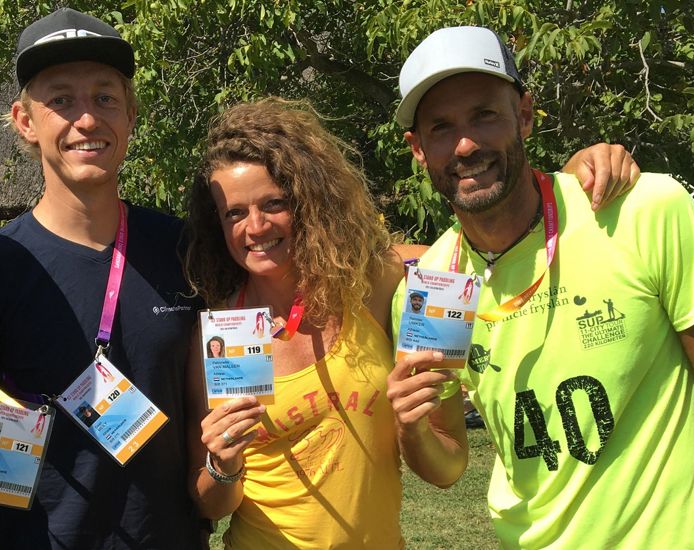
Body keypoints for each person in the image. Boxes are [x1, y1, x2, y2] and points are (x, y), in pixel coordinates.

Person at [183, 97, 637, 548]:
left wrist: (568, 181)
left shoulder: (370, 282)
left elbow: (479, 250)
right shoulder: (221, 332)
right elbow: (210, 504)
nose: (256, 226)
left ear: (309, 201)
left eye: (274, 203)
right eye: (234, 214)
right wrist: (222, 465)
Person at [394, 26, 694, 549]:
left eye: (485, 115)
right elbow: (449, 463)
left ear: (524, 113)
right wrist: (412, 428)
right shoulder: (430, 289)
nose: (466, 144)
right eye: (442, 127)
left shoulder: (639, 212)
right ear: (419, 150)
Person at [0, 8, 203, 549]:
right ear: (24, 121)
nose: (87, 119)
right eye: (61, 100)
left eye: (105, 97)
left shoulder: (186, 250)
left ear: (131, 113)